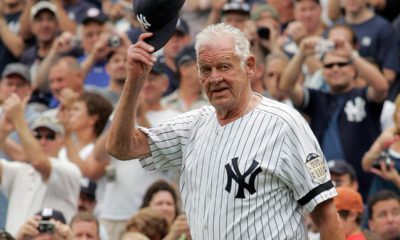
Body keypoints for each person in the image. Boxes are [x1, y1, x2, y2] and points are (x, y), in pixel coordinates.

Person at [106, 23, 343, 239]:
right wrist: (134, 81)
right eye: (206, 69)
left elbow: (326, 216)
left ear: (249, 66)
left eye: (224, 66)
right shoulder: (191, 125)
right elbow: (121, 147)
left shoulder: (284, 123)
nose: (215, 78)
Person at [279, 34, 388, 198]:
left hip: (365, 184)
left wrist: (352, 55)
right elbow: (286, 86)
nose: (335, 68)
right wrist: (301, 53)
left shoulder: (365, 95)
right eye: (329, 66)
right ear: (323, 72)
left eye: (342, 64)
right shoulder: (317, 99)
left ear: (353, 70)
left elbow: (381, 86)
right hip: (325, 185)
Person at [0, 96, 81, 235]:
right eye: (37, 135)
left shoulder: (70, 170)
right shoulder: (21, 170)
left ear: (61, 140)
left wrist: (19, 120)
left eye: (50, 136)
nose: (43, 141)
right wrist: (2, 132)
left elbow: (40, 163)